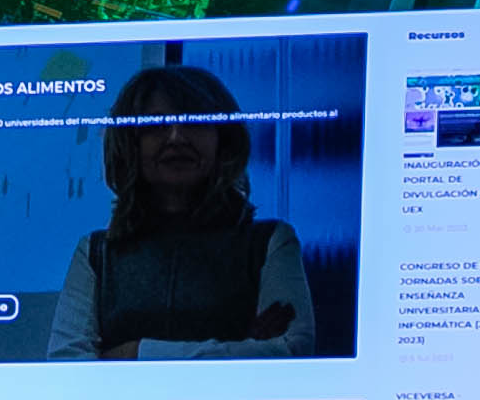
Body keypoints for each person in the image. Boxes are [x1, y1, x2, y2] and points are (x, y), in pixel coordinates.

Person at [45, 60, 313, 360]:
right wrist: (235, 348)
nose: (176, 137)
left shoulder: (270, 243)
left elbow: (290, 351)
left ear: (221, 139)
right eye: (156, 126)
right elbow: (68, 364)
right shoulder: (95, 253)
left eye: (194, 122)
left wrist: (134, 352)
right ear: (130, 143)